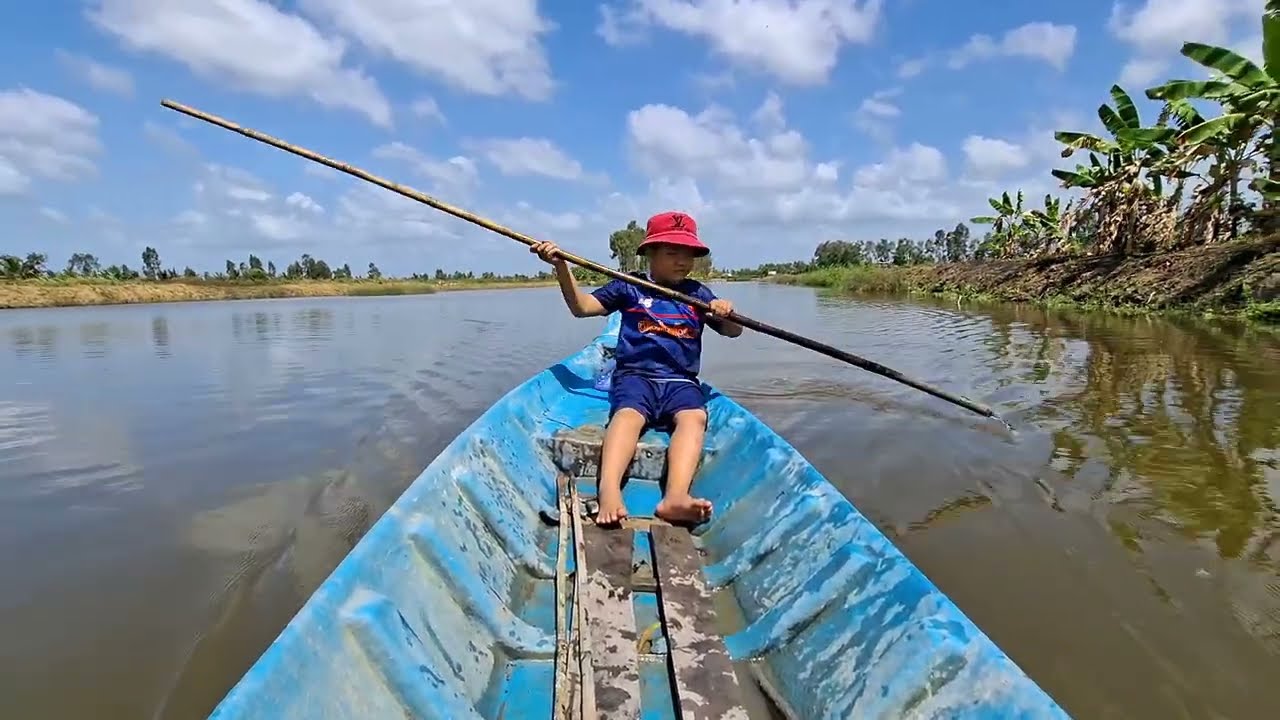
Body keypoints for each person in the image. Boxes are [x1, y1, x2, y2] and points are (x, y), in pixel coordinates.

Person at [531, 210, 742, 526]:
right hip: (635, 377)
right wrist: (562, 266)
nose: (682, 261)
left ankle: (675, 497)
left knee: (694, 418)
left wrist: (725, 312)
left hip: (680, 380)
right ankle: (609, 491)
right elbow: (582, 307)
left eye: (689, 255)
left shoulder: (698, 294)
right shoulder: (629, 286)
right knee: (627, 417)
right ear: (649, 255)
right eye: (672, 253)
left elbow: (732, 332)